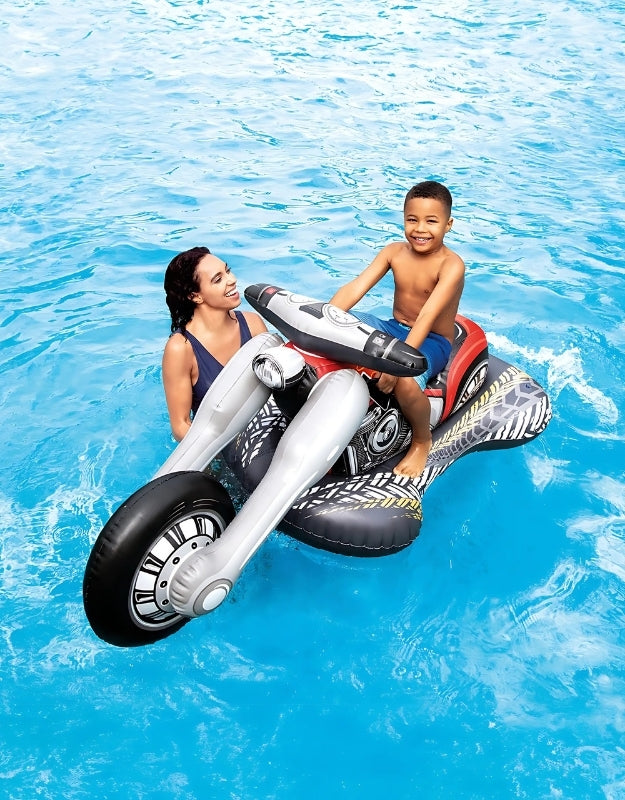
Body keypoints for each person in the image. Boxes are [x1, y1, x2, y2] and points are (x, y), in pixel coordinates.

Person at [329, 180, 465, 478]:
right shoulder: (394, 252)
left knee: (404, 381)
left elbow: (428, 314)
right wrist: (325, 321)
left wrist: (397, 364)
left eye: (432, 221)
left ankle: (421, 440)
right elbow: (356, 287)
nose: (420, 229)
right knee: (344, 328)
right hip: (393, 328)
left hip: (431, 340)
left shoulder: (451, 265)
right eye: (412, 219)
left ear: (449, 224)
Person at [162, 246, 267, 441]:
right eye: (218, 279)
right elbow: (181, 425)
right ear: (195, 296)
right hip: (222, 451)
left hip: (268, 429)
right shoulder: (181, 348)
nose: (232, 280)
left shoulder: (253, 324)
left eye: (228, 270)